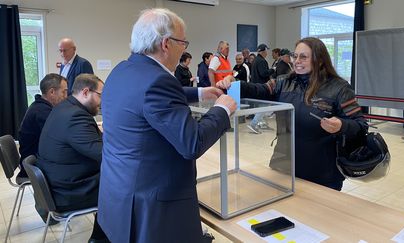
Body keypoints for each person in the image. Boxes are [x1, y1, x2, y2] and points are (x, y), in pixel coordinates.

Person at [98, 8, 237, 243]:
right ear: (166, 44)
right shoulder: (159, 81)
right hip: (154, 205)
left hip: (120, 193)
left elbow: (148, 99)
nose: (184, 48)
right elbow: (192, 143)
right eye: (183, 42)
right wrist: (222, 109)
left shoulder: (123, 70)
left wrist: (200, 92)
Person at [218, 37, 367, 191]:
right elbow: (258, 90)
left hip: (322, 172)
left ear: (320, 60)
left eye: (303, 57)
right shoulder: (283, 82)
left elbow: (360, 125)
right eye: (295, 56)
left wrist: (341, 125)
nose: (297, 61)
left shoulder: (339, 88)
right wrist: (233, 84)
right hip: (284, 166)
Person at [37, 74, 108, 243]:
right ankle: (101, 239)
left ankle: (101, 235)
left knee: (114, 180)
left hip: (58, 181)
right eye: (100, 95)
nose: (102, 102)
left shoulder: (65, 107)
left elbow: (91, 143)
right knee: (123, 186)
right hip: (68, 191)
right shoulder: (76, 117)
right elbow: (103, 154)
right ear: (85, 92)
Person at [17, 74, 68, 178]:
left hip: (34, 160)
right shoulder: (42, 112)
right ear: (52, 92)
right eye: (64, 92)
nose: (66, 96)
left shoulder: (40, 106)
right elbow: (60, 139)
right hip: (34, 167)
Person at [249, 43, 275, 134]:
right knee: (263, 106)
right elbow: (263, 73)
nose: (267, 53)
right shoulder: (262, 61)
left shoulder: (255, 60)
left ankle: (262, 123)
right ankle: (253, 123)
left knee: (261, 105)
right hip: (262, 87)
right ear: (263, 51)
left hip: (256, 86)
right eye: (266, 50)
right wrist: (273, 70)